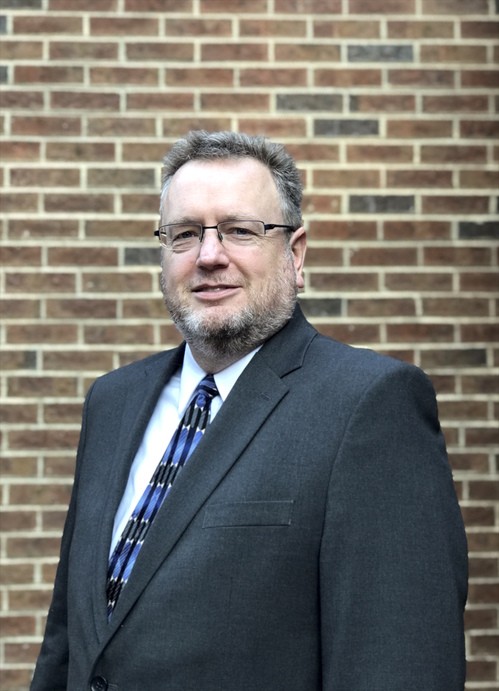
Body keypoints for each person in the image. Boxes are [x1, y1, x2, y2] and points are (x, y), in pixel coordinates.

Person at [31, 130, 467, 691]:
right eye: (185, 234)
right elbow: (69, 640)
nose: (210, 255)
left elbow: (399, 662)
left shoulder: (370, 405)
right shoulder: (112, 401)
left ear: (295, 254)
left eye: (240, 230)